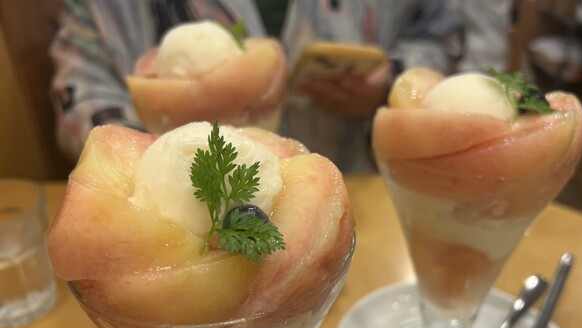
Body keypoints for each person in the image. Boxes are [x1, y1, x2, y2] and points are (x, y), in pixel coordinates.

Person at [50, 0, 462, 173]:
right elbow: (81, 86)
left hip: (359, 190)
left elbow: (441, 35)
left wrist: (392, 79)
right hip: (188, 229)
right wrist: (154, 152)